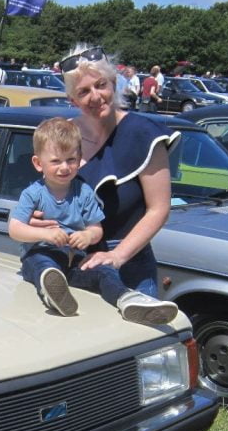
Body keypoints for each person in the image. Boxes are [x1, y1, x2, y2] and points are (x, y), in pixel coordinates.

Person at [27, 44, 177, 322]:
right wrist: (38, 219)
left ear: (115, 83)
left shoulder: (143, 133)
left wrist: (117, 256)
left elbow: (159, 209)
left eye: (101, 85)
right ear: (72, 99)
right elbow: (49, 191)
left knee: (133, 347)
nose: (95, 96)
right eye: (84, 92)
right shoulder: (65, 134)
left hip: (130, 266)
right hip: (73, 262)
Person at [10, 117, 176, 323]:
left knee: (103, 272)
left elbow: (96, 229)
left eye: (71, 160)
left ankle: (127, 299)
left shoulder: (84, 192)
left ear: (80, 158)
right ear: (38, 163)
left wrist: (87, 236)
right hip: (43, 253)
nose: (64, 167)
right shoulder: (33, 193)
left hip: (76, 259)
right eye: (55, 161)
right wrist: (45, 234)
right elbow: (15, 228)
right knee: (41, 261)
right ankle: (51, 289)